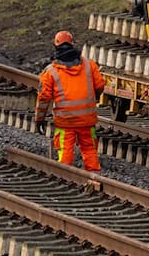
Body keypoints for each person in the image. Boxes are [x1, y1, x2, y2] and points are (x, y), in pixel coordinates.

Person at [34, 31, 106, 172]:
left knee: (65, 152)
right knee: (90, 150)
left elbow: (44, 99)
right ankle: (94, 178)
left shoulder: (51, 72)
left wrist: (39, 119)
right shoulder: (89, 65)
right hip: (87, 120)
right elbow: (100, 86)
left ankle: (65, 177)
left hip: (65, 122)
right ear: (73, 44)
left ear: (55, 46)